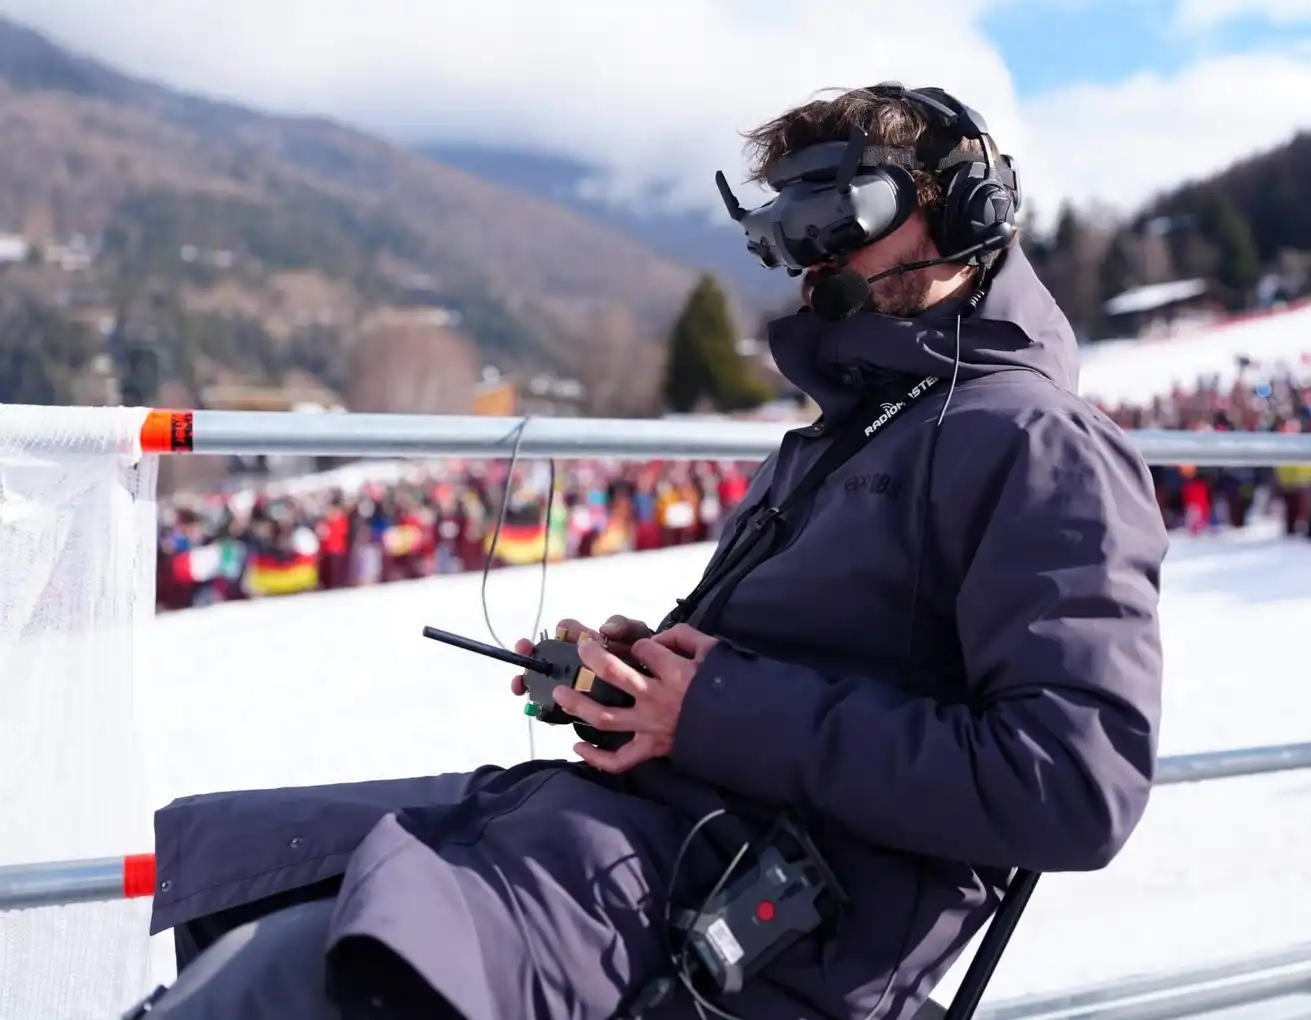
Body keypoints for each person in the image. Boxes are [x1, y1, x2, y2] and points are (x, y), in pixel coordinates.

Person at [130, 83, 1168, 1020]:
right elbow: (785, 669)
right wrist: (640, 681)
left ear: (968, 213)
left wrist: (711, 708)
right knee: (249, 872)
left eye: (841, 219)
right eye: (788, 231)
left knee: (295, 973)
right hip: (652, 845)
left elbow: (1075, 784)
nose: (814, 262)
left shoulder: (1038, 443)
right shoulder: (851, 433)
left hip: (755, 930)